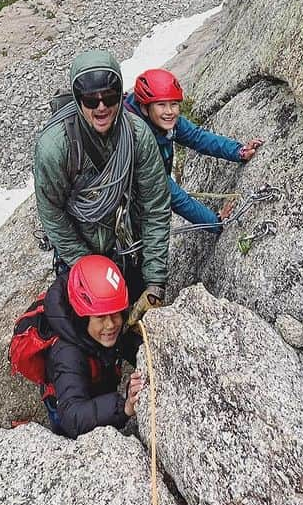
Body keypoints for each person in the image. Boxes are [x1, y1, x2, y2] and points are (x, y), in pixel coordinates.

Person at [33, 49, 171, 322]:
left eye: (109, 97)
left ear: (119, 94)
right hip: (79, 251)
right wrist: (88, 266)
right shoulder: (54, 147)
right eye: (90, 100)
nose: (101, 107)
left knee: (130, 328)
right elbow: (52, 213)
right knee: (88, 334)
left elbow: (155, 205)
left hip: (126, 247)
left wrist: (155, 281)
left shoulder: (137, 135)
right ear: (77, 100)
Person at [126, 68, 262, 229]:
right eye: (161, 105)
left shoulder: (164, 122)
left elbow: (197, 137)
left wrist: (238, 151)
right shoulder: (133, 139)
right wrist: (215, 222)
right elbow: (172, 195)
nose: (169, 112)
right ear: (144, 107)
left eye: (174, 104)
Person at [40, 254, 144, 438]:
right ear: (82, 316)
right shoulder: (67, 353)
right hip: (65, 408)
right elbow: (72, 417)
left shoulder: (102, 330)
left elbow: (130, 345)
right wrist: (124, 406)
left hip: (96, 386)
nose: (111, 324)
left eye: (115, 314)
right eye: (100, 317)